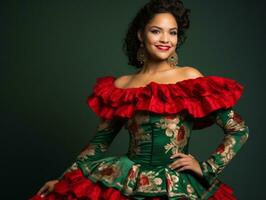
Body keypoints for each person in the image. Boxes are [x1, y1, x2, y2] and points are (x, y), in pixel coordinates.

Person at [29, 0, 249, 199]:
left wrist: (207, 168)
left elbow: (238, 129)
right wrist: (64, 179)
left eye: (172, 33)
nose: (165, 39)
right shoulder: (123, 86)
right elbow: (99, 142)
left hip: (177, 185)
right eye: (156, 31)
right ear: (140, 35)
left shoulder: (190, 77)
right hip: (126, 180)